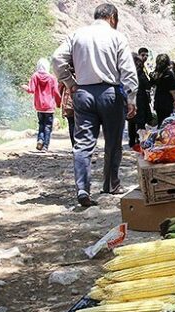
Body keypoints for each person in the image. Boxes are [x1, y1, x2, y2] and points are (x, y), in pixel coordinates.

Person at [52, 3, 138, 207]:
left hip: (83, 93)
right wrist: (131, 97)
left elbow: (57, 58)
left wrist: (70, 82)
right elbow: (127, 70)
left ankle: (82, 188)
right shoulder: (117, 37)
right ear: (113, 18)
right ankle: (111, 184)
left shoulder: (77, 35)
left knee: (83, 143)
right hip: (110, 94)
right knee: (113, 142)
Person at [23, 58, 61, 152]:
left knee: (41, 124)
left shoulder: (35, 76)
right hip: (49, 107)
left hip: (39, 106)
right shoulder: (52, 78)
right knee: (48, 126)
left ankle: (40, 139)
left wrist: (25, 88)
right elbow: (56, 92)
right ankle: (45, 146)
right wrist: (59, 103)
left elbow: (31, 90)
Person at [128, 53, 152, 148]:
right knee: (139, 120)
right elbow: (146, 84)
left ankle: (133, 140)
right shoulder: (139, 73)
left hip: (133, 98)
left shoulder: (129, 72)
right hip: (139, 99)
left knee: (132, 120)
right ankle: (140, 140)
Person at [150, 54, 175, 127]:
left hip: (158, 100)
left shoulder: (156, 74)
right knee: (166, 123)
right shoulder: (169, 74)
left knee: (160, 121)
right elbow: (172, 90)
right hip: (167, 101)